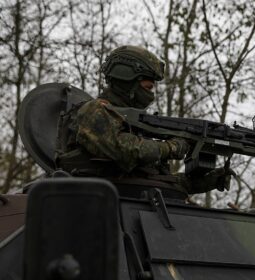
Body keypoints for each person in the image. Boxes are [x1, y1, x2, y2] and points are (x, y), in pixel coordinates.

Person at [55, 45, 233, 198]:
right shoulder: (94, 111)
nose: (151, 95)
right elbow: (124, 149)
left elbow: (150, 183)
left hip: (131, 204)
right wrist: (170, 148)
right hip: (94, 204)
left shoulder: (132, 126)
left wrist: (206, 182)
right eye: (147, 87)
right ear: (128, 82)